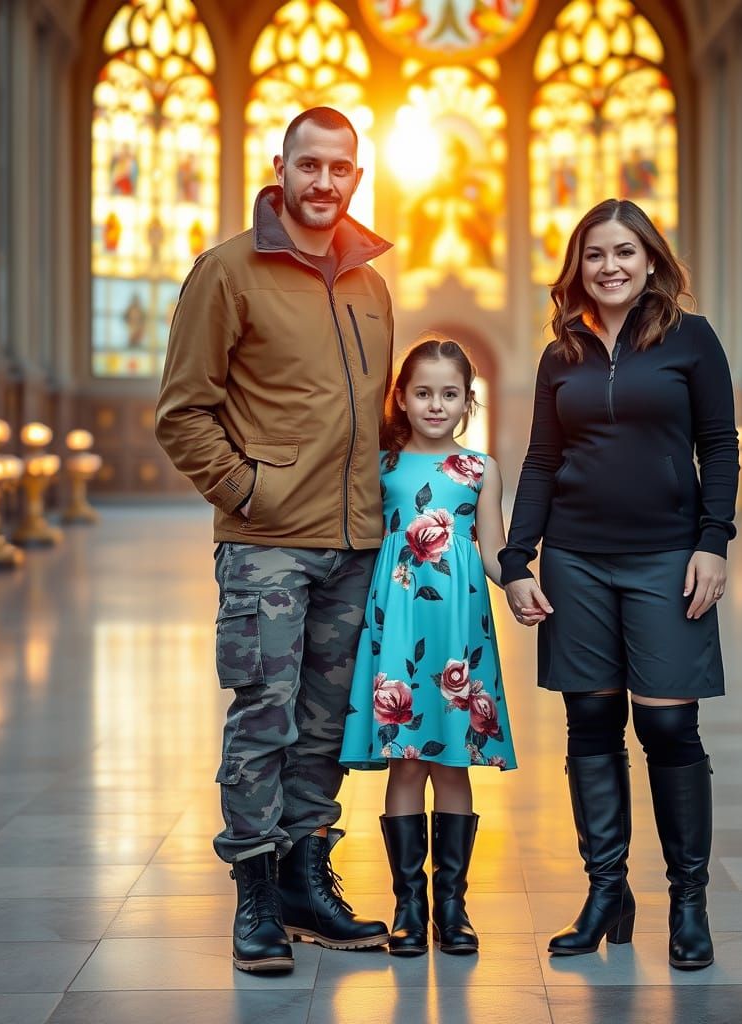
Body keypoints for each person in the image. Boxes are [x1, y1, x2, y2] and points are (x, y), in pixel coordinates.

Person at [155, 107, 395, 972]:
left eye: (340, 168)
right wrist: (246, 492)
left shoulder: (371, 284)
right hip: (268, 544)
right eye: (309, 166)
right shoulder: (227, 271)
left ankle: (305, 880)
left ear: (355, 177)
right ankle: (254, 896)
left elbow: (374, 417)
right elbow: (182, 412)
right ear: (281, 169)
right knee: (265, 713)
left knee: (325, 723)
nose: (324, 182)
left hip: (354, 543)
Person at [499, 198, 738, 969]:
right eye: (596, 254)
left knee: (670, 728)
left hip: (667, 558)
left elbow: (719, 446)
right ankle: (607, 891)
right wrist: (516, 558)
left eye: (625, 252)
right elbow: (540, 461)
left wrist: (713, 543)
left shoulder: (690, 340)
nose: (610, 266)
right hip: (575, 560)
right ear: (578, 267)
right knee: (591, 728)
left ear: (650, 261)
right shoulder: (558, 354)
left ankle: (689, 902)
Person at [340, 335, 516, 957]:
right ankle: (409, 907)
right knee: (407, 761)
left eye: (450, 394)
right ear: (402, 398)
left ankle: (453, 908)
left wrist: (523, 582)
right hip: (398, 628)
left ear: (468, 401)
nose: (436, 405)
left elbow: (494, 550)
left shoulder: (479, 469)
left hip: (458, 634)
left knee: (453, 762)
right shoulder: (381, 467)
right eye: (423, 393)